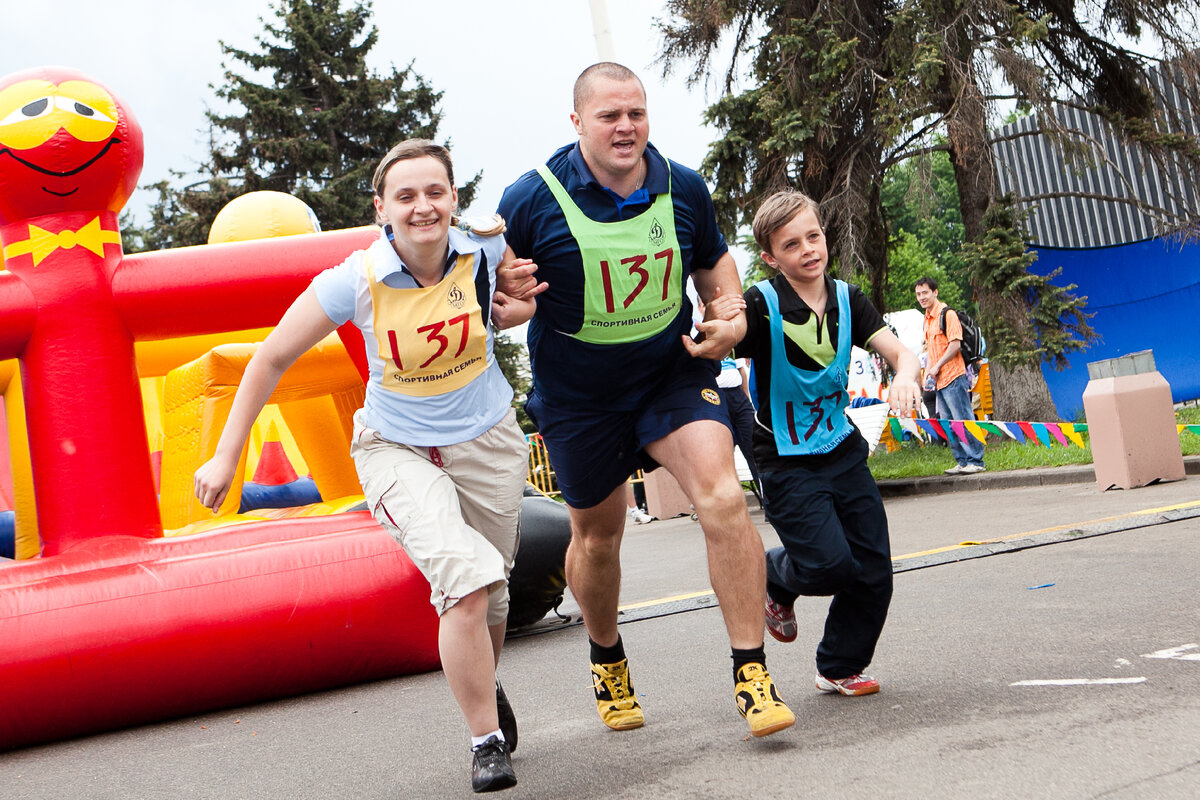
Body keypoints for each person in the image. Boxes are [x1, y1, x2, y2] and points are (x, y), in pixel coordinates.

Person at [194, 140, 545, 794]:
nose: (422, 208)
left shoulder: (484, 249)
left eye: (434, 193)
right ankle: (484, 740)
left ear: (453, 199)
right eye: (405, 197)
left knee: (493, 592)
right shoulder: (350, 279)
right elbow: (268, 359)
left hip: (487, 439)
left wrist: (518, 307)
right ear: (381, 208)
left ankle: (482, 680)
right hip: (397, 449)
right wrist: (226, 454)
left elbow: (511, 310)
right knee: (465, 582)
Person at [496, 62, 795, 738]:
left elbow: (716, 265)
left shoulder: (683, 186)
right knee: (599, 536)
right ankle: (608, 657)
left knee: (721, 497)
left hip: (670, 372)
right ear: (577, 124)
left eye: (636, 112)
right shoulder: (530, 199)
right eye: (609, 115)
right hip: (579, 397)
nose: (625, 126)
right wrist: (504, 303)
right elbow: (498, 298)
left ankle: (751, 673)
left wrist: (732, 318)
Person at [735, 190, 921, 698]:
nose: (808, 250)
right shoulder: (761, 303)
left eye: (813, 236)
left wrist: (905, 376)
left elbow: (901, 353)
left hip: (841, 450)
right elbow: (724, 336)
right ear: (772, 257)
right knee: (826, 566)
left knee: (873, 570)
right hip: (784, 460)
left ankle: (839, 666)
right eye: (791, 245)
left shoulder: (847, 298)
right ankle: (777, 575)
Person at [914, 276, 986, 474]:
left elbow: (954, 345)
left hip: (954, 376)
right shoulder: (927, 320)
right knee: (948, 423)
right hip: (938, 380)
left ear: (935, 292)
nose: (922, 297)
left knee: (963, 418)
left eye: (925, 293)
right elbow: (930, 350)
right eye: (918, 294)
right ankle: (962, 461)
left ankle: (976, 461)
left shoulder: (948, 314)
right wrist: (928, 372)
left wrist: (937, 366)